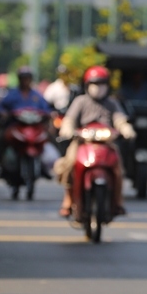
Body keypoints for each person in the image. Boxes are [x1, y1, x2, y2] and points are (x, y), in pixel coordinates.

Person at [54, 66, 135, 219]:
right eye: (94, 84)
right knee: (69, 164)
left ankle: (117, 201)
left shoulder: (112, 103)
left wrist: (126, 129)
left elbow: (120, 120)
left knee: (118, 168)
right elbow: (69, 120)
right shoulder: (80, 101)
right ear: (87, 85)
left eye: (102, 84)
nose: (98, 88)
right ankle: (69, 199)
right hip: (82, 142)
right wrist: (67, 130)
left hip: (107, 143)